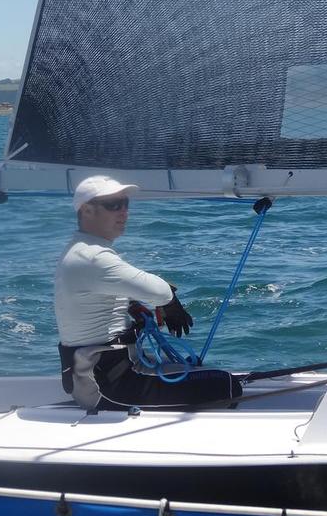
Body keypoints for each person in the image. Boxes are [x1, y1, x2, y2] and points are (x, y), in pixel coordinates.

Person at [54, 175, 241, 411]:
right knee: (227, 385)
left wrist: (133, 306)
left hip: (99, 377)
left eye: (125, 204)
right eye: (113, 205)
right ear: (87, 210)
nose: (123, 212)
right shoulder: (92, 257)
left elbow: (101, 294)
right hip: (110, 387)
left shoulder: (78, 252)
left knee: (199, 373)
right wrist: (169, 301)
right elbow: (159, 291)